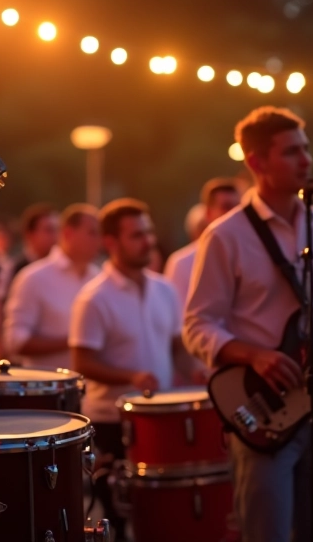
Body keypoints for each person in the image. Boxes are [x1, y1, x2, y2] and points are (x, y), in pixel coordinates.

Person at [184, 106, 313, 542]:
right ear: (256, 162)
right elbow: (197, 325)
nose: (307, 160)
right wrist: (254, 356)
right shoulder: (225, 235)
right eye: (292, 152)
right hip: (263, 414)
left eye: (307, 149)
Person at [70, 198, 207, 541]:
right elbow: (81, 363)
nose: (147, 241)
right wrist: (129, 378)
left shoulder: (165, 288)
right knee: (118, 518)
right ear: (111, 242)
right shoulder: (93, 297)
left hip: (159, 417)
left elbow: (177, 347)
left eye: (148, 232)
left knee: (159, 511)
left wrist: (197, 372)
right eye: (136, 235)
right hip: (111, 421)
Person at [3, 203, 101, 370]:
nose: (99, 240)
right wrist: (75, 341)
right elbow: (15, 342)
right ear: (69, 234)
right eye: (92, 233)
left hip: (90, 390)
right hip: (46, 392)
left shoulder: (98, 277)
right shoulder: (33, 278)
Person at [0, 203, 59, 363]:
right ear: (30, 234)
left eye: (57, 230)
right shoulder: (14, 269)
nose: (55, 236)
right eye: (49, 230)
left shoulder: (60, 271)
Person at [164, 178, 242, 307]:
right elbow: (178, 319)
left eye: (238, 208)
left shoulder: (254, 255)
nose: (234, 215)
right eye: (226, 207)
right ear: (208, 213)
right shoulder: (183, 263)